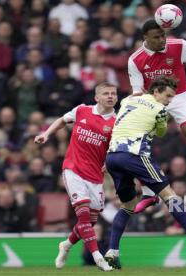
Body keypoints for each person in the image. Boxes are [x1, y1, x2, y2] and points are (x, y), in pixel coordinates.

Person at [104, 76, 186, 269]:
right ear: (156, 92)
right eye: (167, 96)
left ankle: (112, 250)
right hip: (134, 155)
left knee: (127, 205)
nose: (169, 101)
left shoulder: (127, 99)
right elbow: (160, 133)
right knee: (170, 195)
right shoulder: (160, 110)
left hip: (112, 157)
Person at [127, 20, 186, 213]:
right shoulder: (135, 60)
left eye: (163, 35)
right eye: (157, 37)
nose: (163, 40)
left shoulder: (179, 45)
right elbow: (137, 92)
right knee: (138, 142)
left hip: (180, 95)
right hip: (154, 99)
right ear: (145, 38)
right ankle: (147, 193)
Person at [34, 82, 118, 271]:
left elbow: (115, 148)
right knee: (83, 214)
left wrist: (108, 161)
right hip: (73, 169)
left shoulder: (117, 122)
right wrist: (46, 133)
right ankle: (99, 258)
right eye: (106, 93)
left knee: (90, 222)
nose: (111, 96)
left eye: (113, 93)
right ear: (97, 97)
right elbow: (62, 120)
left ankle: (67, 245)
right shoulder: (82, 110)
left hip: (95, 175)